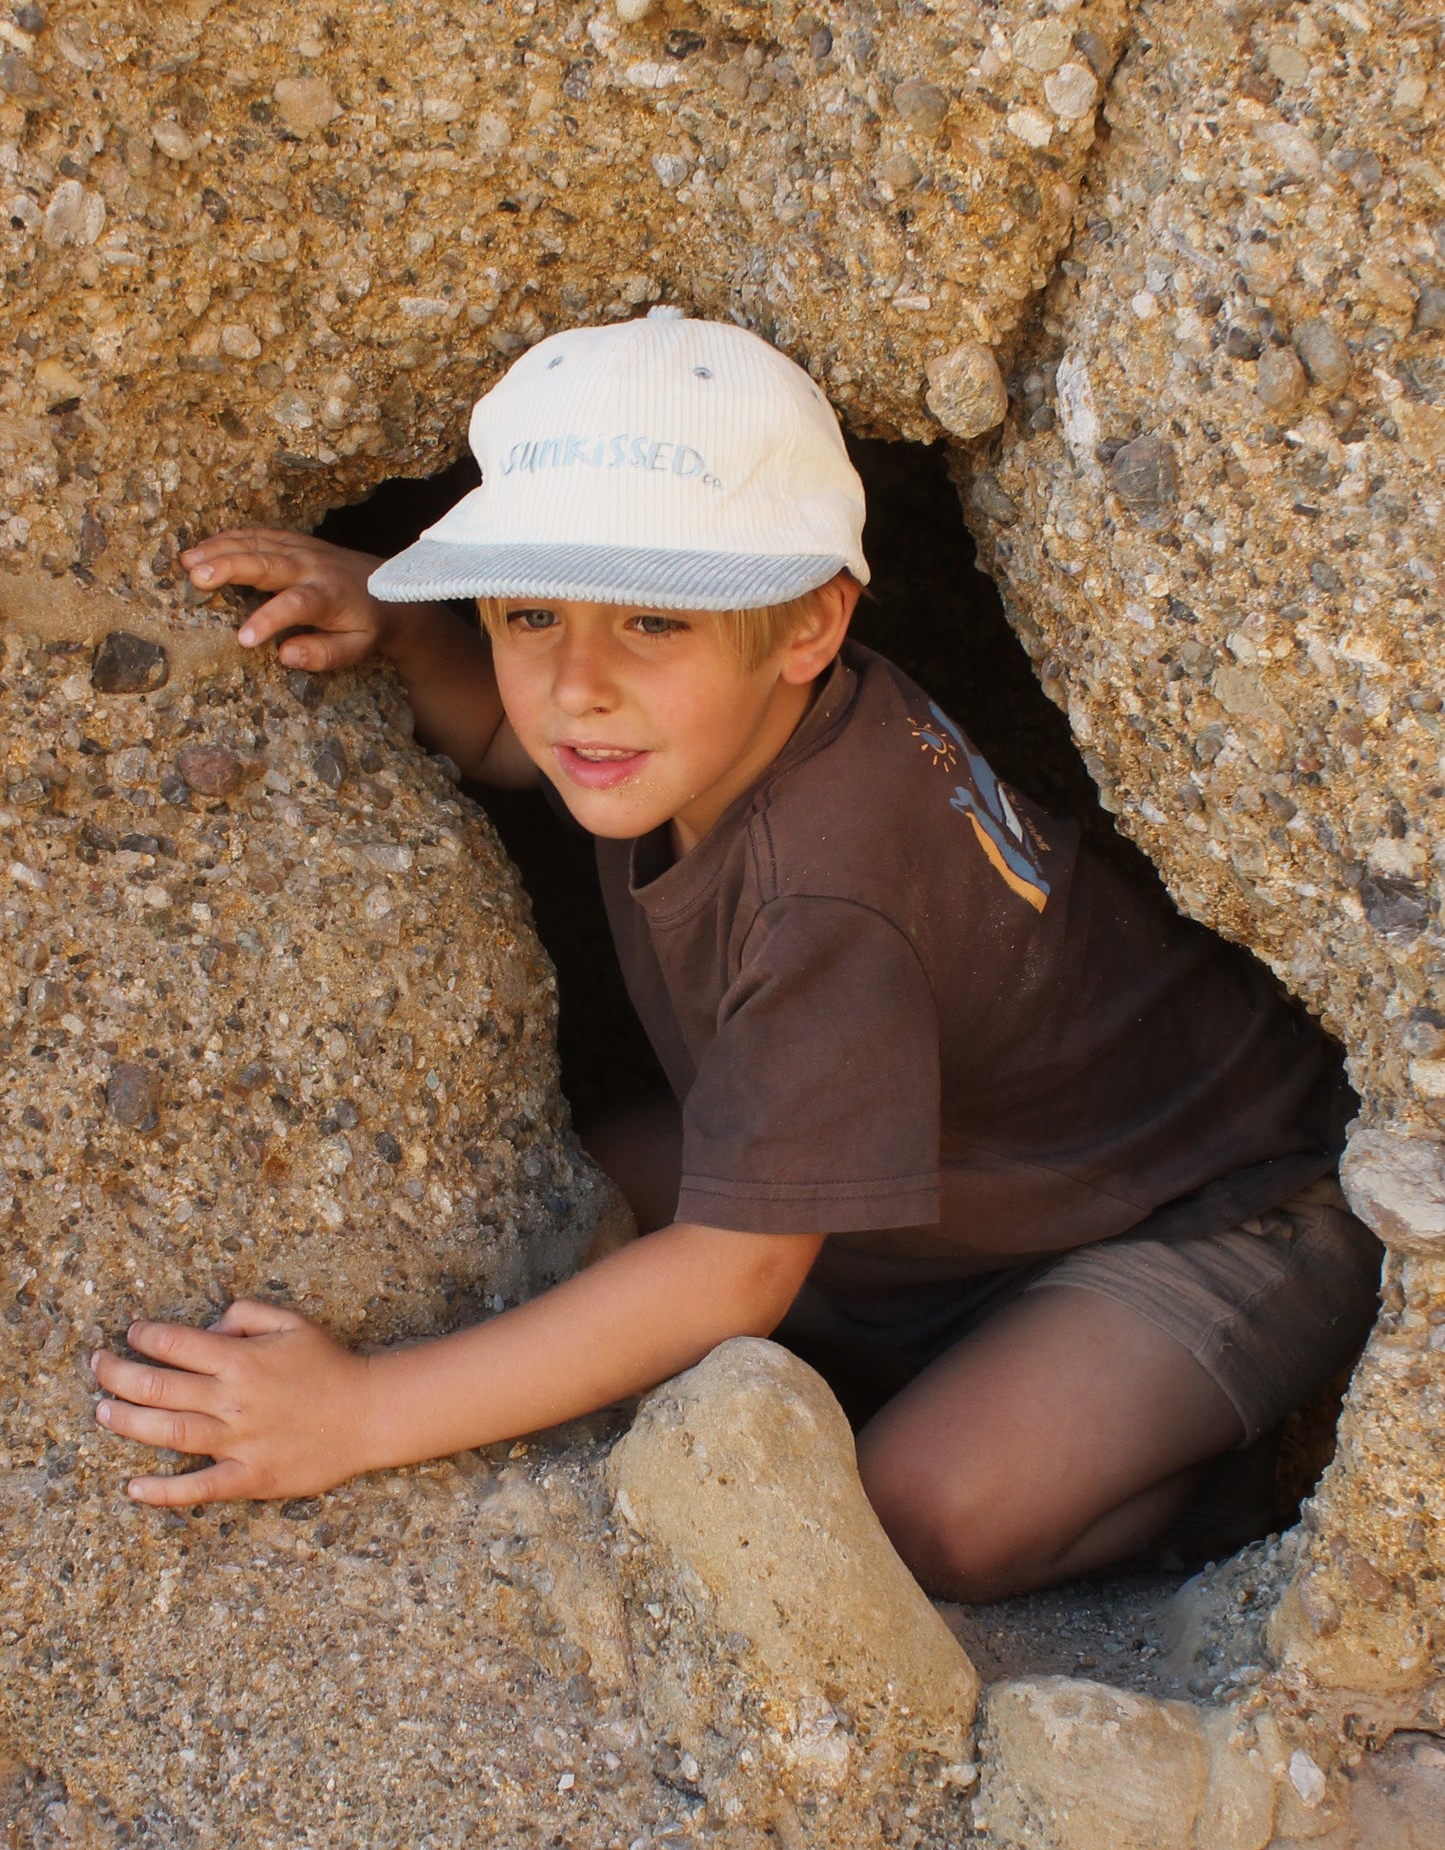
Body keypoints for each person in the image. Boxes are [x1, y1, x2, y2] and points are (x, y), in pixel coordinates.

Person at [90, 311, 1380, 1603]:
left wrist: (360, 1413)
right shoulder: (715, 719)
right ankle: (975, 1382)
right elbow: (513, 727)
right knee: (556, 1189)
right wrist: (403, 625)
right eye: (529, 610)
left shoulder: (828, 890)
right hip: (942, 1200)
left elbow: (734, 1271)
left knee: (919, 1518)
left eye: (654, 619)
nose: (577, 686)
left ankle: (1193, 1494)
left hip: (1211, 1213)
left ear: (811, 623)